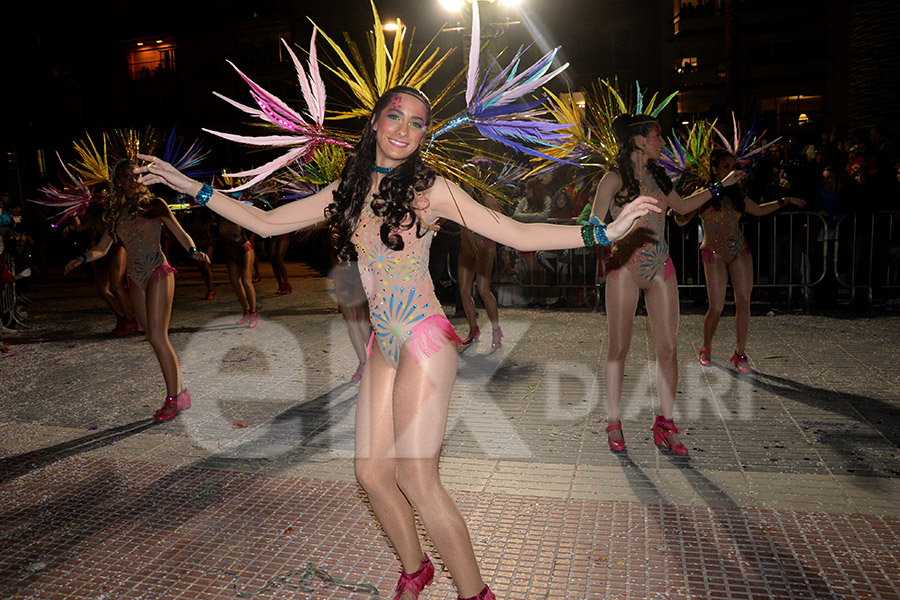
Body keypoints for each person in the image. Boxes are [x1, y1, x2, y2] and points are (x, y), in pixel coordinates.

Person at [137, 86, 658, 600]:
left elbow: (515, 233)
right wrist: (189, 185)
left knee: (415, 475)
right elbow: (267, 222)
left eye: (417, 122)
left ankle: (476, 594)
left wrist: (603, 234)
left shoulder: (432, 189)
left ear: (425, 134)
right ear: (375, 123)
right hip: (384, 344)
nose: (405, 129)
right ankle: (415, 569)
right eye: (395, 117)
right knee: (370, 472)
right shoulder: (348, 185)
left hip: (425, 335)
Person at [592, 114, 744, 457]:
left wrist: (723, 185)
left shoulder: (660, 178)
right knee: (618, 348)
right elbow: (591, 224)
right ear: (640, 141)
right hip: (624, 267)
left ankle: (666, 422)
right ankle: (613, 420)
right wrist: (615, 225)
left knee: (669, 349)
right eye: (657, 137)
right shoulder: (612, 180)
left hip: (662, 266)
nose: (662, 143)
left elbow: (685, 206)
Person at [64, 160, 210, 422]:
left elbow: (180, 232)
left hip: (157, 271)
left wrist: (194, 251)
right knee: (155, 338)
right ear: (118, 180)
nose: (131, 181)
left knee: (157, 337)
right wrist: (82, 259)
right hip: (136, 278)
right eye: (125, 176)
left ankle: (173, 399)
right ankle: (182, 393)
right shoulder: (115, 213)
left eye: (135, 176)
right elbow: (103, 248)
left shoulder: (155, 205)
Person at [457, 163, 502, 348]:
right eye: (464, 175)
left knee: (483, 289)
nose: (468, 179)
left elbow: (500, 219)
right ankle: (473, 328)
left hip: (484, 246)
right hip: (466, 247)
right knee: (464, 291)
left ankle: (496, 330)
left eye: (472, 175)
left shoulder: (485, 197)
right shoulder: (456, 198)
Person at [218, 217, 259, 327]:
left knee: (246, 281)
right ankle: (246, 311)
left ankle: (253, 314)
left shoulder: (238, 214)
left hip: (244, 248)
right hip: (230, 251)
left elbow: (252, 229)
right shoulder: (222, 219)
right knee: (235, 283)